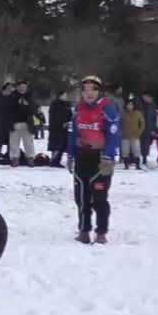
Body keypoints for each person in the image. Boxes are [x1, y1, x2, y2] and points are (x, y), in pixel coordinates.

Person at [65, 76, 120, 245]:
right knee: (81, 196)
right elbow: (73, 134)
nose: (89, 93)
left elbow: (114, 134)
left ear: (99, 91)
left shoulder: (107, 109)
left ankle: (101, 232)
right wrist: (70, 155)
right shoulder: (78, 110)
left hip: (100, 158)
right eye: (86, 89)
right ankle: (84, 230)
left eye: (93, 89)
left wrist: (108, 157)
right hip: (82, 157)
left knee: (99, 198)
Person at [9, 80, 37, 167]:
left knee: (28, 142)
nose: (23, 89)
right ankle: (15, 158)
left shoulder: (29, 97)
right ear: (17, 87)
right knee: (14, 142)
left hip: (27, 123)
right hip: (15, 122)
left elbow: (34, 109)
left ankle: (30, 158)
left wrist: (27, 105)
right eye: (21, 87)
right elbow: (8, 109)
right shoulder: (12, 96)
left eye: (24, 87)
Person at [47, 92, 72, 167]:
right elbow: (53, 117)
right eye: (63, 95)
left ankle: (58, 159)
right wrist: (60, 123)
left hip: (65, 128)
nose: (65, 97)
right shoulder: (55, 105)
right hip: (56, 128)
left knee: (62, 145)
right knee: (56, 145)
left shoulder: (67, 105)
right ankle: (54, 160)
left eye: (66, 95)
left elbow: (69, 114)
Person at [119, 99, 146, 170]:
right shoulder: (122, 114)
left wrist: (139, 132)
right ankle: (126, 165)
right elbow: (119, 123)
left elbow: (142, 124)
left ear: (134, 106)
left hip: (135, 136)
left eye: (131, 105)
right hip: (125, 136)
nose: (129, 106)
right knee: (125, 151)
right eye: (128, 105)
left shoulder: (137, 113)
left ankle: (137, 165)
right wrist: (120, 132)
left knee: (136, 150)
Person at [140, 91, 158, 166]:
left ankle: (145, 157)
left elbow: (154, 118)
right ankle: (137, 157)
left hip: (149, 127)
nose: (144, 98)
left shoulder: (153, 106)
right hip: (141, 127)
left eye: (146, 97)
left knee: (146, 143)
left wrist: (153, 129)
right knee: (139, 143)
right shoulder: (142, 105)